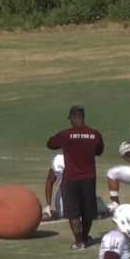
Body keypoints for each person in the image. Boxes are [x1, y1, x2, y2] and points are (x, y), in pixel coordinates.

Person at [47, 105, 104, 250]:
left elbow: (50, 144)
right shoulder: (94, 134)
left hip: (71, 178)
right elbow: (99, 151)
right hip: (89, 178)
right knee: (88, 211)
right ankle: (85, 237)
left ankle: (79, 241)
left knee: (73, 211)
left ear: (73, 117)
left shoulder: (65, 135)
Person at [43, 154, 65, 221]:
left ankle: (95, 203)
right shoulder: (59, 161)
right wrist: (48, 205)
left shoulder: (81, 163)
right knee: (61, 212)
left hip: (81, 183)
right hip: (66, 183)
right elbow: (49, 182)